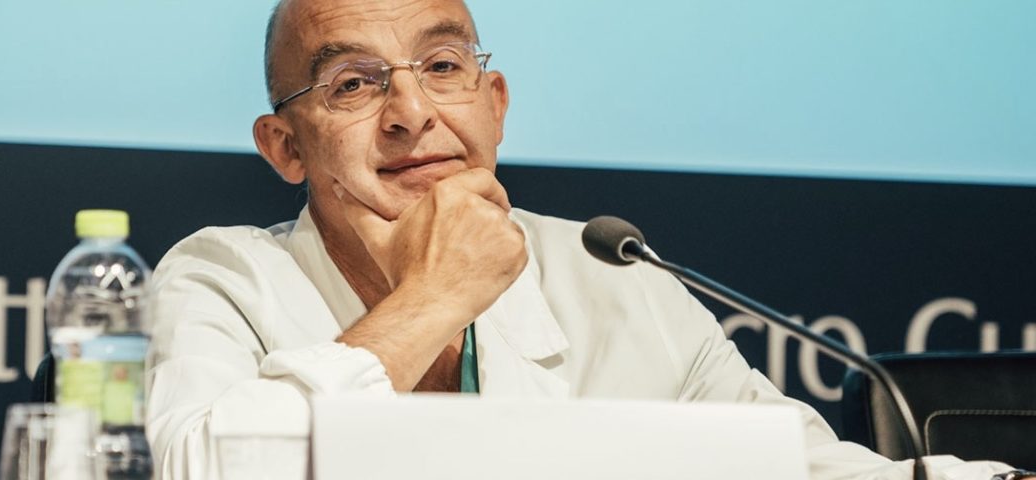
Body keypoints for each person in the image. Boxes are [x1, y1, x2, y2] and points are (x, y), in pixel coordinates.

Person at [145, 0, 1022, 478]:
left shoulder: (616, 272)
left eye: (445, 68)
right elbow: (204, 469)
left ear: (494, 107)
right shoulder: (224, 275)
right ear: (285, 147)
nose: (413, 115)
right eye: (352, 84)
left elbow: (799, 469)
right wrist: (435, 297)